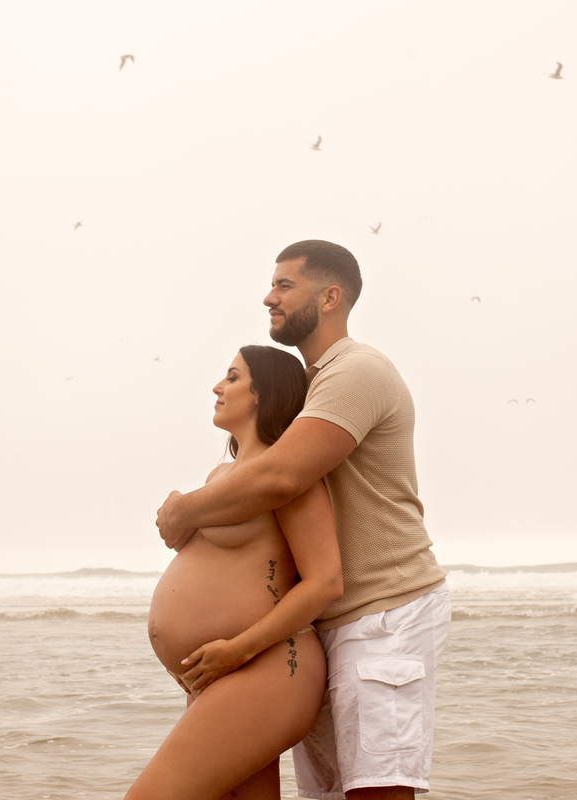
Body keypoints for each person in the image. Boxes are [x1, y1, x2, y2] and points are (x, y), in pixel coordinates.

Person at [156, 240, 451, 800]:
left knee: (375, 792)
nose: (269, 297)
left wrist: (183, 510)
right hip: (321, 625)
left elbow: (281, 478)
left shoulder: (356, 370)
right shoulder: (312, 385)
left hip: (382, 611)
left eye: (285, 286)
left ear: (331, 296)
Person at [127, 345, 344, 800]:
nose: (217, 387)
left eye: (232, 377)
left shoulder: (287, 476)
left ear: (264, 394)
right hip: (219, 673)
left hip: (265, 666)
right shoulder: (219, 477)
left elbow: (326, 581)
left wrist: (237, 650)